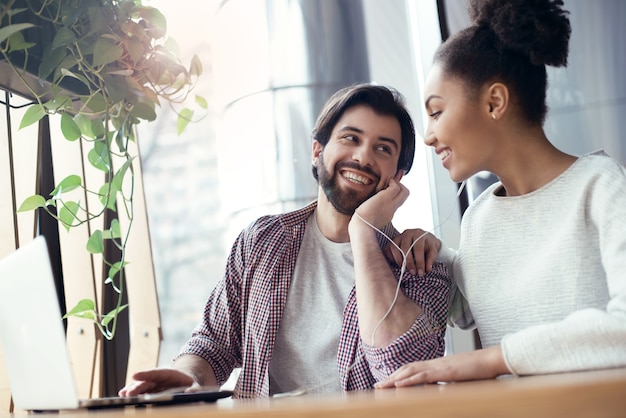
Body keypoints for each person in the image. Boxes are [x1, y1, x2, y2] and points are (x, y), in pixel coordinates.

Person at [119, 83, 451, 398]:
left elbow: (405, 370)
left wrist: (363, 232)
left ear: (397, 177)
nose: (363, 158)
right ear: (317, 151)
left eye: (382, 148)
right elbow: (213, 344)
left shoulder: (420, 262)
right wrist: (188, 378)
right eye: (351, 138)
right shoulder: (262, 241)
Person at [377, 0, 626, 388]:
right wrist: (429, 251)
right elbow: (463, 309)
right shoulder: (478, 219)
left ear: (494, 102)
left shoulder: (601, 186)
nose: (427, 136)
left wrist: (491, 360)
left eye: (437, 112)